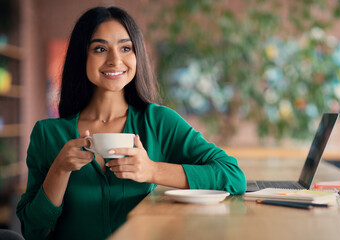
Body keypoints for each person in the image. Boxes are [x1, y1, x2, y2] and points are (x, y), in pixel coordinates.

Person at [16, 6, 246, 240]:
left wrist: (152, 170)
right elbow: (33, 233)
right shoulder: (47, 134)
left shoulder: (158, 121)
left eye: (126, 48)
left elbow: (233, 176)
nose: (115, 60)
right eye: (100, 48)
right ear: (81, 56)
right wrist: (60, 169)